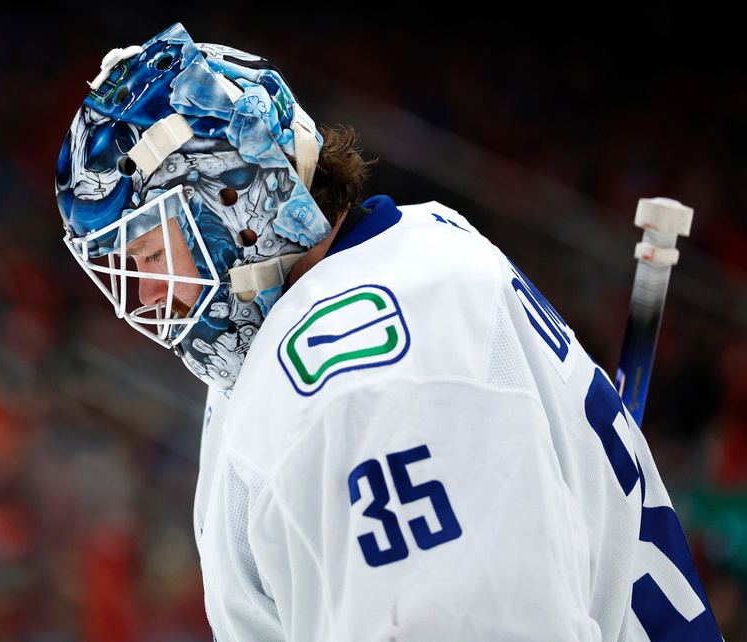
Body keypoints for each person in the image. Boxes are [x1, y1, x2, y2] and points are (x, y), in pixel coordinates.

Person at [54, 23, 723, 641]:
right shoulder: (411, 256)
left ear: (234, 202)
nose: (142, 296)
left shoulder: (360, 382)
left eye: (147, 256)